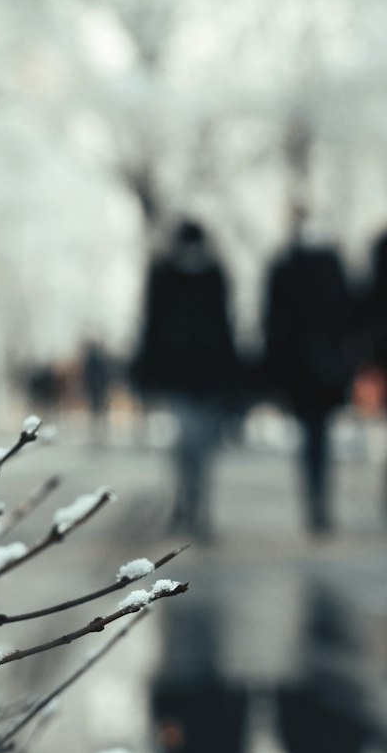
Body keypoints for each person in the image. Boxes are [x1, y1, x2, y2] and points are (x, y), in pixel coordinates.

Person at [133, 218, 241, 540]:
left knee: (200, 447)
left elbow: (225, 327)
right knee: (187, 444)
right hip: (179, 376)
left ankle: (195, 505)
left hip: (206, 378)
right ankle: (188, 504)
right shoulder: (165, 275)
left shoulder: (212, 277)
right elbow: (151, 326)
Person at [262, 213, 355, 534]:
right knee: (317, 438)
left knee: (315, 438)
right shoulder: (324, 266)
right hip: (311, 370)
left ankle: (317, 501)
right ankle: (317, 502)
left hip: (313, 370)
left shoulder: (291, 266)